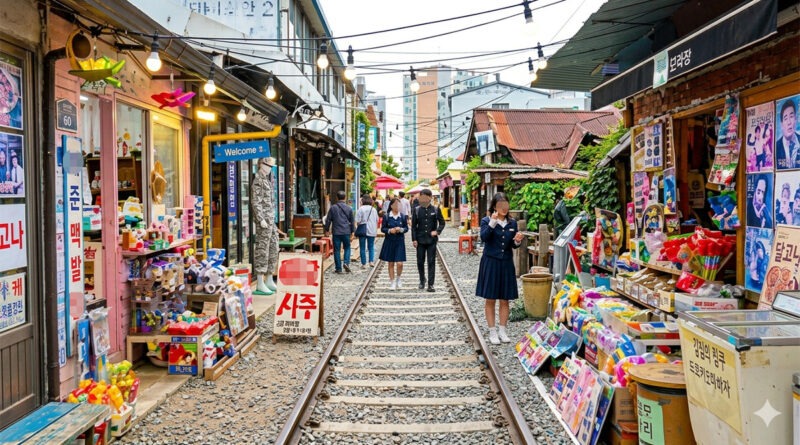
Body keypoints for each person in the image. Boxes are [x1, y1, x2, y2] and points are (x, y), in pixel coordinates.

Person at [476, 193, 525, 345]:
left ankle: (502, 330)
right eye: (500, 205)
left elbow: (511, 245)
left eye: (506, 204)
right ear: (495, 207)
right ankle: (492, 331)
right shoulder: (486, 220)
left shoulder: (512, 223)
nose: (504, 208)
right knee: (490, 298)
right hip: (490, 262)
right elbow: (484, 238)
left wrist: (516, 242)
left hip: (506, 263)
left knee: (505, 298)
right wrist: (493, 222)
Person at [251, 157, 280, 295]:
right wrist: (260, 218)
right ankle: (260, 281)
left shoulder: (268, 180)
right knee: (262, 249)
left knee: (274, 247)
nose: (269, 168)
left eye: (271, 166)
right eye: (268, 165)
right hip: (264, 222)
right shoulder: (258, 181)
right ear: (261, 165)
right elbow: (255, 202)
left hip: (270, 220)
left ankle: (269, 278)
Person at [411, 189, 445, 292]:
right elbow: (413, 226)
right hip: (420, 240)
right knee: (420, 262)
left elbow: (442, 222)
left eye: (426, 197)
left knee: (431, 262)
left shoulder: (435, 209)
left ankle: (431, 284)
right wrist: (414, 239)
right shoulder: (416, 210)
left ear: (430, 198)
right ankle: (422, 280)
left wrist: (437, 231)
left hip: (431, 241)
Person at [379, 198, 408, 290]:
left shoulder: (403, 216)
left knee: (400, 263)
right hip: (389, 241)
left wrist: (401, 229)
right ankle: (392, 282)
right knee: (390, 263)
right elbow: (382, 229)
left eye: (399, 205)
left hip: (399, 241)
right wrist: (389, 230)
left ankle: (398, 279)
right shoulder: (386, 216)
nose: (397, 207)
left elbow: (406, 228)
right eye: (395, 205)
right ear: (391, 206)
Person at [324, 190, 354, 274]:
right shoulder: (349, 208)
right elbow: (352, 221)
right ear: (345, 198)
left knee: (336, 250)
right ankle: (346, 263)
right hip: (346, 232)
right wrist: (352, 232)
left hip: (336, 232)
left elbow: (328, 220)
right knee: (347, 248)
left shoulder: (333, 208)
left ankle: (338, 268)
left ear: (337, 198)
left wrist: (326, 230)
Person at [776, 99, 800, 170]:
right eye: (785, 118)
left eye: (791, 117)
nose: (789, 122)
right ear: (781, 124)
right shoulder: (776, 147)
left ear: (796, 119)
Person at [356, 195, 378, 268]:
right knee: (371, 247)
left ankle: (364, 264)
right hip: (372, 230)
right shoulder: (373, 209)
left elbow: (358, 221)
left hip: (362, 230)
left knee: (362, 247)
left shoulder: (361, 209)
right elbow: (376, 220)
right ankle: (371, 261)